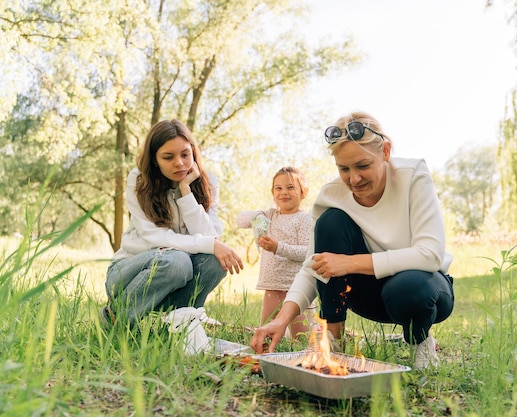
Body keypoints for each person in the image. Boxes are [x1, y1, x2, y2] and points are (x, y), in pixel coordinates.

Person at [250, 111, 454, 370]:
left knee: (408, 288)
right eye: (344, 169)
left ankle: (420, 342)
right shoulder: (332, 195)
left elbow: (430, 254)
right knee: (331, 222)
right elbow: (314, 266)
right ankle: (332, 342)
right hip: (366, 296)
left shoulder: (413, 175)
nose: (354, 179)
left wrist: (349, 263)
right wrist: (281, 319)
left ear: (386, 152)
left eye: (363, 166)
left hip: (423, 291)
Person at [103, 119, 243, 328]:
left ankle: (178, 322)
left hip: (176, 272)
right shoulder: (138, 180)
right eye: (168, 157)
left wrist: (185, 192)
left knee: (215, 262)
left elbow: (208, 234)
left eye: (185, 154)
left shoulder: (209, 182)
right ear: (154, 160)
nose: (179, 163)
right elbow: (155, 238)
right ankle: (115, 319)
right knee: (177, 261)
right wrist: (210, 244)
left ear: (193, 153)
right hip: (128, 273)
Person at [236, 167, 315, 338]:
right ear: (273, 193)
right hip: (272, 286)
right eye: (278, 188)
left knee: (302, 337)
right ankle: (266, 359)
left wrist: (278, 247)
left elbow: (306, 252)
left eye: (290, 187)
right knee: (266, 332)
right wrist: (258, 215)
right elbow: (240, 220)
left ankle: (301, 362)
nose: (284, 192)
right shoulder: (269, 215)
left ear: (303, 192)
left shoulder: (304, 219)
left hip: (298, 288)